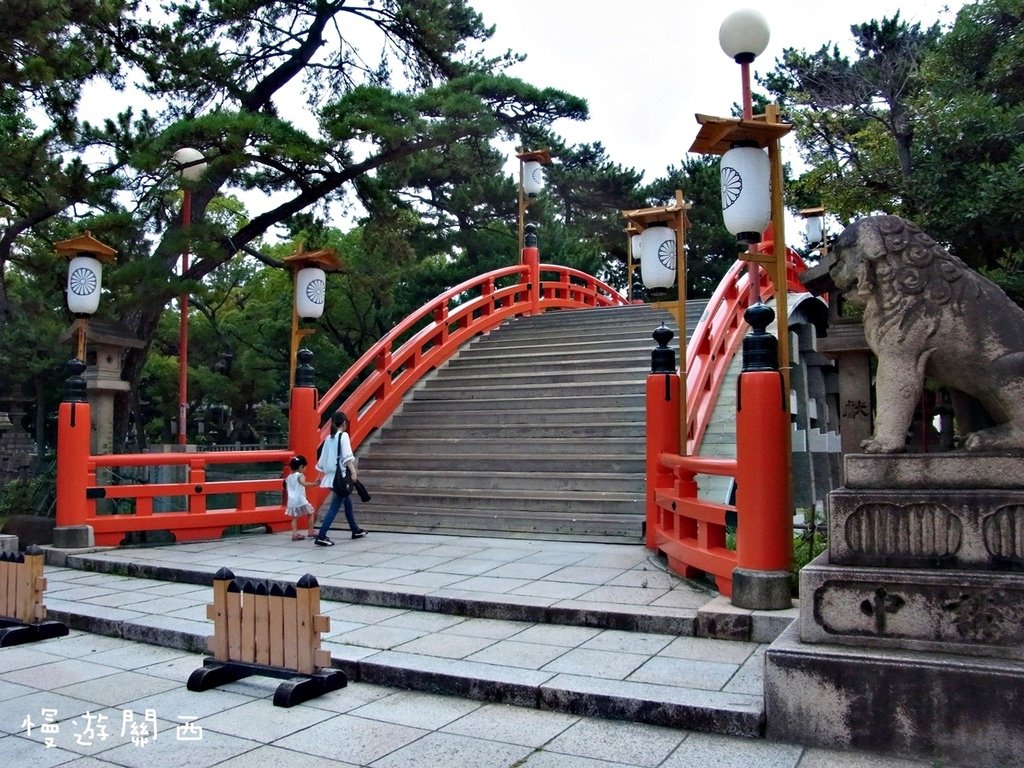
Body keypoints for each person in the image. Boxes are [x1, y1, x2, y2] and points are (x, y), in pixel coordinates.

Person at [313, 411, 366, 545]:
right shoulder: (343, 436)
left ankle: (355, 529)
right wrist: (353, 472)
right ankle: (322, 535)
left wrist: (319, 476)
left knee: (347, 502)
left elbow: (322, 459)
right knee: (335, 506)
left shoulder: (329, 438)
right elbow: (347, 456)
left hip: (330, 478)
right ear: (344, 423)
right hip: (340, 477)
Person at [284, 455, 317, 540]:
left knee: (294, 518)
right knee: (311, 512)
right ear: (301, 467)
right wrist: (314, 484)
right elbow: (303, 483)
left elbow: (287, 487)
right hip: (300, 499)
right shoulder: (300, 475)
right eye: (305, 467)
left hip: (291, 500)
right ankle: (311, 531)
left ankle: (295, 534)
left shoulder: (288, 477)